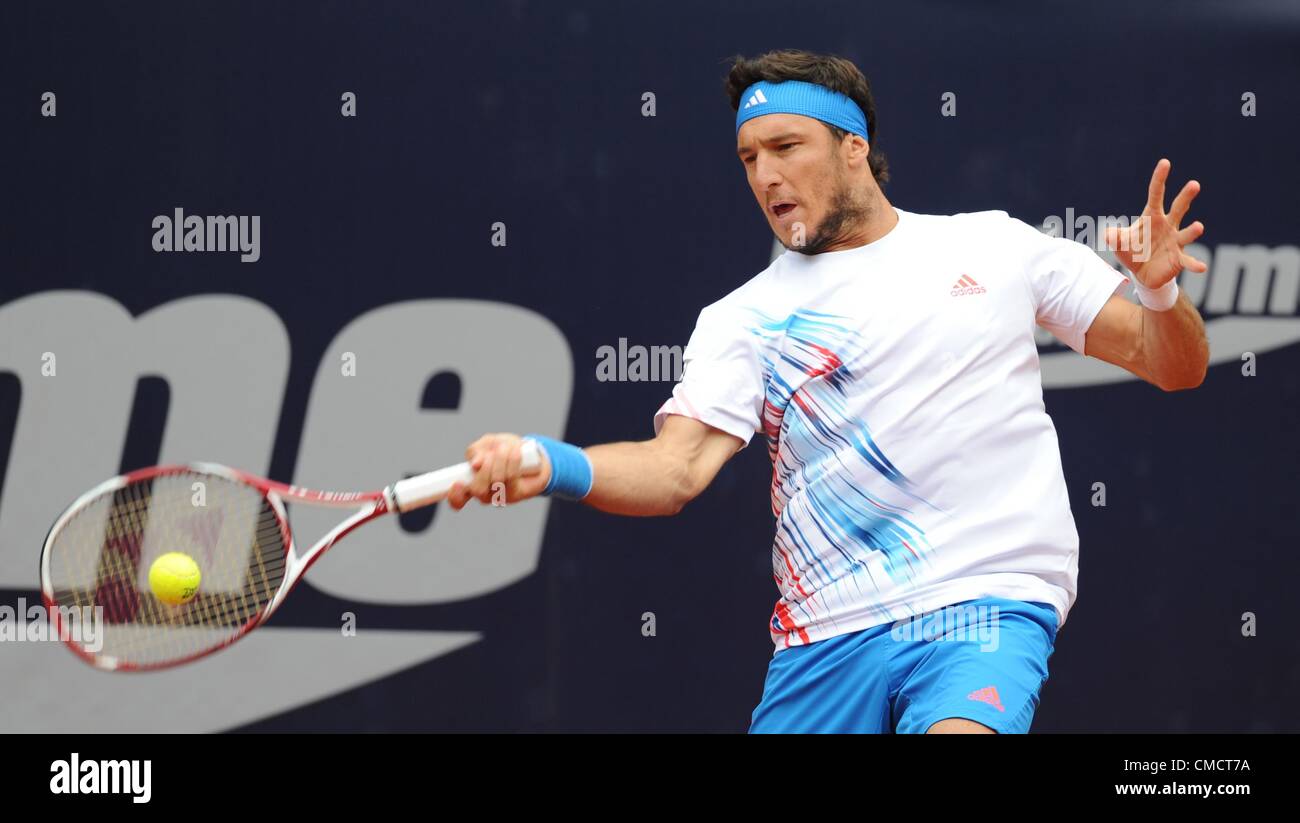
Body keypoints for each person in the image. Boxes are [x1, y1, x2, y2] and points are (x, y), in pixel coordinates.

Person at [447, 49, 1210, 733]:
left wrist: (1157, 294)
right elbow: (674, 471)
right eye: (748, 157)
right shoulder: (743, 319)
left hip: (982, 605)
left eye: (786, 147)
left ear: (855, 150)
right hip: (825, 637)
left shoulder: (993, 246)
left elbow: (1174, 364)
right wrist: (550, 463)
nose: (765, 176)